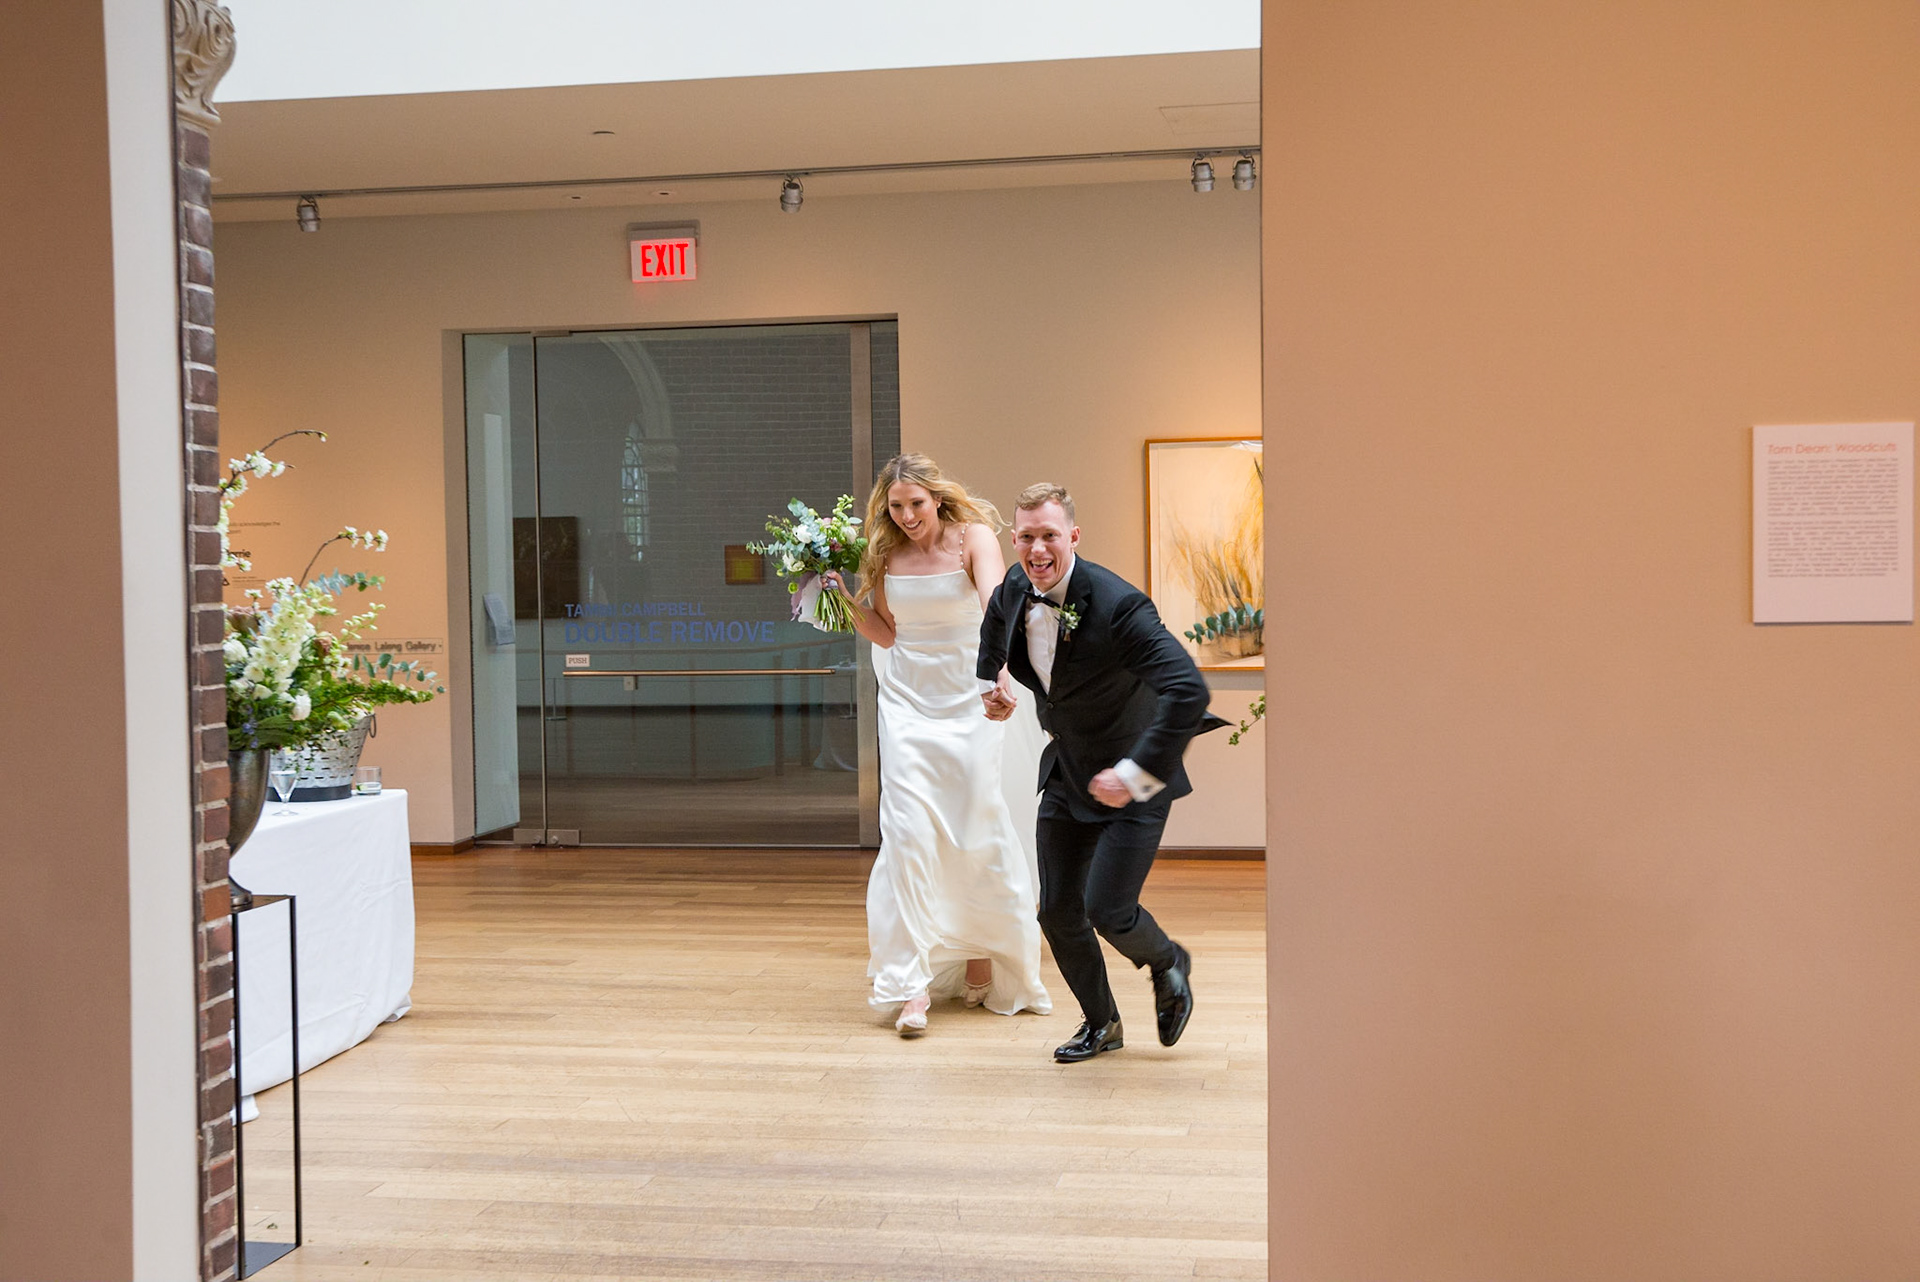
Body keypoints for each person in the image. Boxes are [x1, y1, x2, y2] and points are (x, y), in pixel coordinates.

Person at [978, 482, 1225, 1063]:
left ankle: (1168, 960)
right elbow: (993, 633)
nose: (1038, 550)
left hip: (1134, 775)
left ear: (1074, 536)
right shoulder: (1014, 586)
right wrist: (992, 683)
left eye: (1050, 536)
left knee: (1107, 910)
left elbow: (1188, 690)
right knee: (1057, 911)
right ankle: (1102, 1023)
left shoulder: (1119, 606)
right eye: (1026, 538)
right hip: (1068, 769)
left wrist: (1134, 774)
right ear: (1014, 540)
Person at [824, 454, 1051, 1036]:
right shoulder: (882, 552)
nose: (906, 516)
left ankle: (980, 951)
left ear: (938, 498)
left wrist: (1000, 676)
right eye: (896, 506)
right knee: (907, 835)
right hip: (907, 702)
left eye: (915, 504)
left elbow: (997, 610)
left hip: (969, 698)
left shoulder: (973, 538)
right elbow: (886, 632)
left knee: (973, 827)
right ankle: (910, 985)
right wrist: (843, 597)